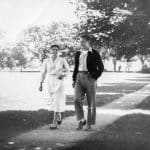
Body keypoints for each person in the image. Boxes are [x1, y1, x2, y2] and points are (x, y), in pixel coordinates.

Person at [72, 35, 104, 131]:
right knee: (77, 99)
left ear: (88, 42)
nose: (81, 43)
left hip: (90, 78)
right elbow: (76, 67)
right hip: (79, 77)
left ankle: (89, 124)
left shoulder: (94, 53)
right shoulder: (78, 53)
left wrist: (94, 77)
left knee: (91, 103)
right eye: (80, 41)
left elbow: (101, 67)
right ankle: (82, 120)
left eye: (83, 42)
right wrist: (74, 79)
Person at [39, 44, 70, 129]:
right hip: (50, 82)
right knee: (53, 100)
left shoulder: (62, 60)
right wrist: (41, 83)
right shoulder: (46, 61)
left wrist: (63, 75)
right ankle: (59, 116)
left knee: (56, 100)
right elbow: (43, 72)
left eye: (56, 49)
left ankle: (54, 122)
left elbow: (68, 70)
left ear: (59, 51)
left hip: (59, 82)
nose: (55, 51)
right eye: (53, 49)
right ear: (50, 51)